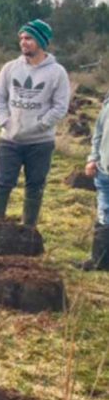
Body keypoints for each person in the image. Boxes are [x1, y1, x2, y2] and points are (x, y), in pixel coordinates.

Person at [0, 19, 70, 227]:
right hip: (10, 139)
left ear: (41, 42)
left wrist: (41, 125)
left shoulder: (57, 73)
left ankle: (28, 230)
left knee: (35, 186)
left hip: (40, 142)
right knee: (2, 184)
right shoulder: (10, 68)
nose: (24, 42)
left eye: (30, 38)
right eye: (22, 38)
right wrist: (5, 122)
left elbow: (60, 106)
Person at [82, 91, 109, 270]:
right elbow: (99, 132)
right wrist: (93, 158)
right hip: (104, 170)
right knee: (104, 214)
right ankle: (99, 261)